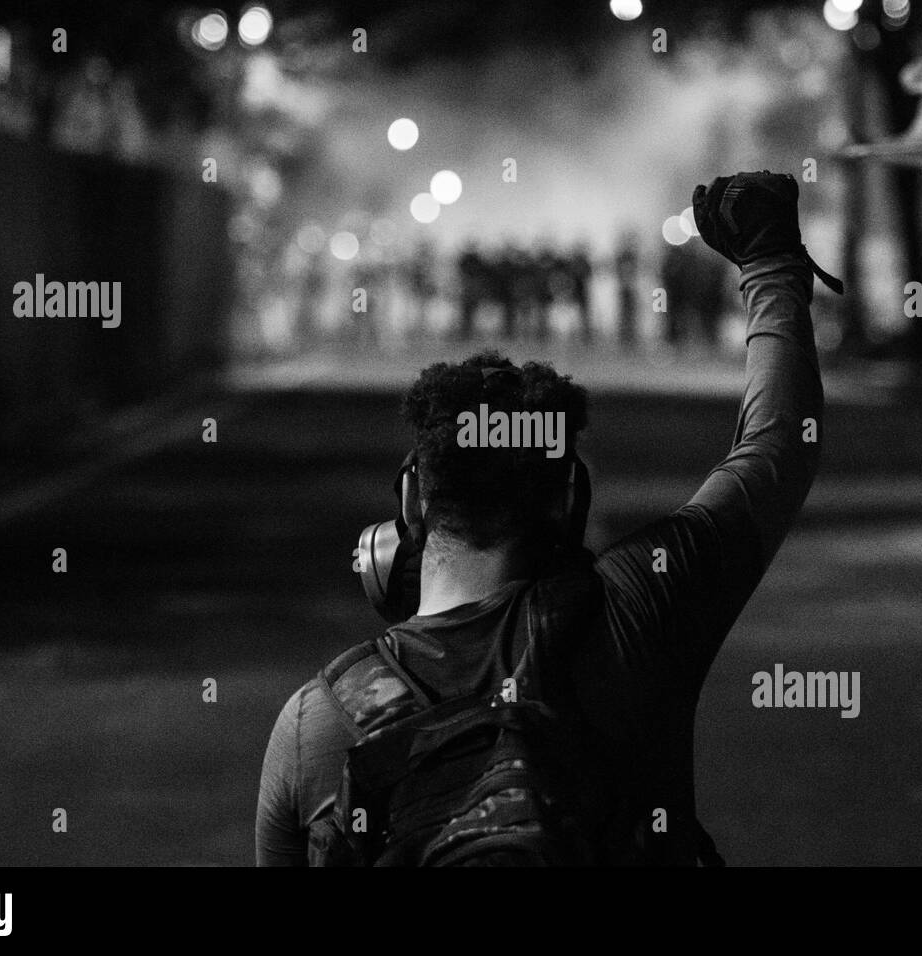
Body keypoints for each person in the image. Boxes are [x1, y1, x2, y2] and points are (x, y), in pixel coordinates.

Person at [256, 172, 827, 866]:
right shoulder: (642, 607)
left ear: (413, 502)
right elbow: (776, 445)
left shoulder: (316, 721)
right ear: (570, 504)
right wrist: (770, 264)